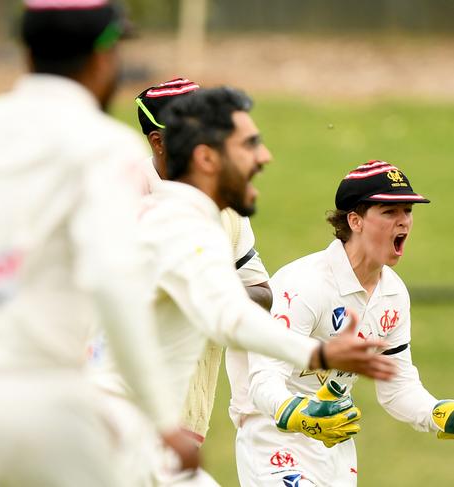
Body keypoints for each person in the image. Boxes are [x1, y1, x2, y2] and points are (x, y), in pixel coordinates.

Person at [0, 1, 198, 486]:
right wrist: (164, 420)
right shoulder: (107, 147)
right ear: (103, 59)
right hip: (47, 395)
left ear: (26, 54)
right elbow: (114, 285)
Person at [90, 87, 397, 486]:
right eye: (249, 145)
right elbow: (229, 317)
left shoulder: (185, 218)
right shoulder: (176, 226)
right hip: (113, 434)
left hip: (128, 430)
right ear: (206, 158)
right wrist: (318, 353)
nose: (264, 156)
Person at [237, 160, 454, 486]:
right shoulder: (303, 284)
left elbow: (397, 388)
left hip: (336, 446)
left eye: (407, 210)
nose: (404, 221)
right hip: (274, 438)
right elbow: (263, 381)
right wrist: (303, 416)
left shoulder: (393, 294)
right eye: (389, 212)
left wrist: (438, 414)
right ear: (355, 220)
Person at [139, 78, 273, 485]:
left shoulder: (226, 207)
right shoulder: (122, 201)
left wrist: (208, 292)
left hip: (187, 428)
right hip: (121, 425)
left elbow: (263, 294)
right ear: (160, 143)